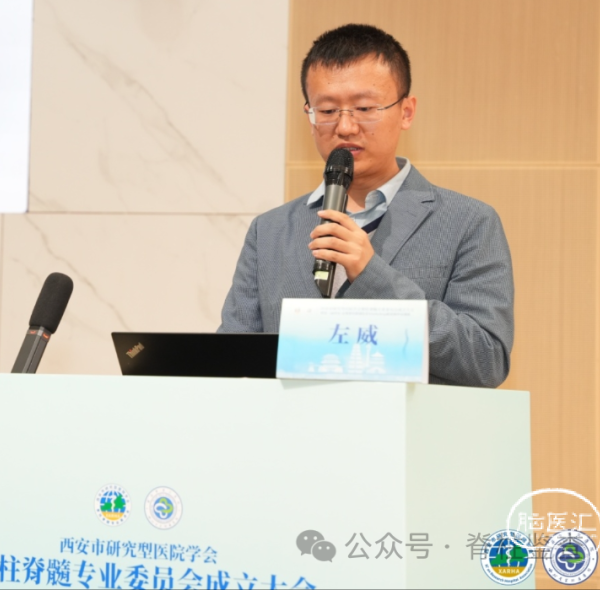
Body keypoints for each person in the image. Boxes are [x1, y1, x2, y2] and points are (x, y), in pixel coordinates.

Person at [219, 24, 513, 388]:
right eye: (327, 110)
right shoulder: (270, 231)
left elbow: (486, 359)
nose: (345, 127)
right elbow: (231, 361)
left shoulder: (468, 222)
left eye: (364, 108)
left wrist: (372, 275)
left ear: (406, 112)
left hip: (410, 424)